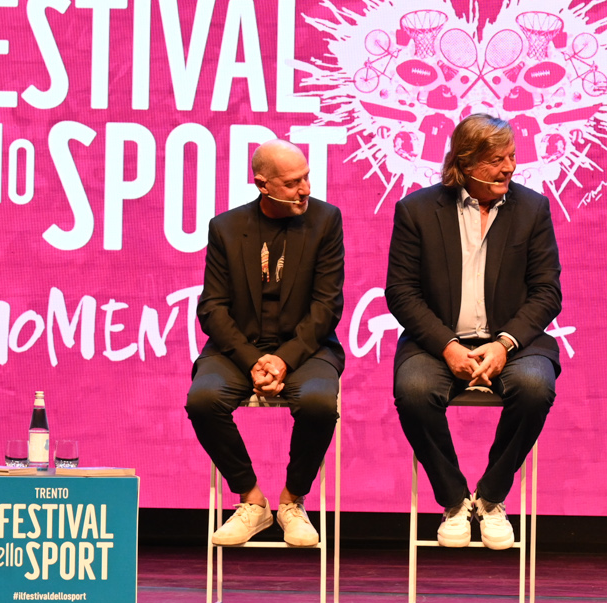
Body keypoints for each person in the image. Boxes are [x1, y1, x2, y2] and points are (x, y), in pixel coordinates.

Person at [386, 114, 562, 550]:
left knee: (535, 386)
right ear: (465, 163)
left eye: (512, 157)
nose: (509, 168)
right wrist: (447, 346)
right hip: (438, 343)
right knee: (413, 390)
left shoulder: (533, 209)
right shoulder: (417, 210)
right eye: (497, 160)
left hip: (512, 342)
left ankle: (490, 497)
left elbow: (547, 293)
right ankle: (453, 500)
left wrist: (504, 344)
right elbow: (401, 293)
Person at [187, 141, 346, 547]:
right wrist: (255, 360)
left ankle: (292, 501)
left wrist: (283, 360)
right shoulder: (225, 227)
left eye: (307, 177)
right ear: (263, 185)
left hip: (305, 349)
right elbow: (213, 309)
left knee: (318, 403)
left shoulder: (326, 220)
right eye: (293, 183)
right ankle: (252, 501)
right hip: (238, 350)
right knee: (202, 400)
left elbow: (327, 306)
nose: (305, 189)